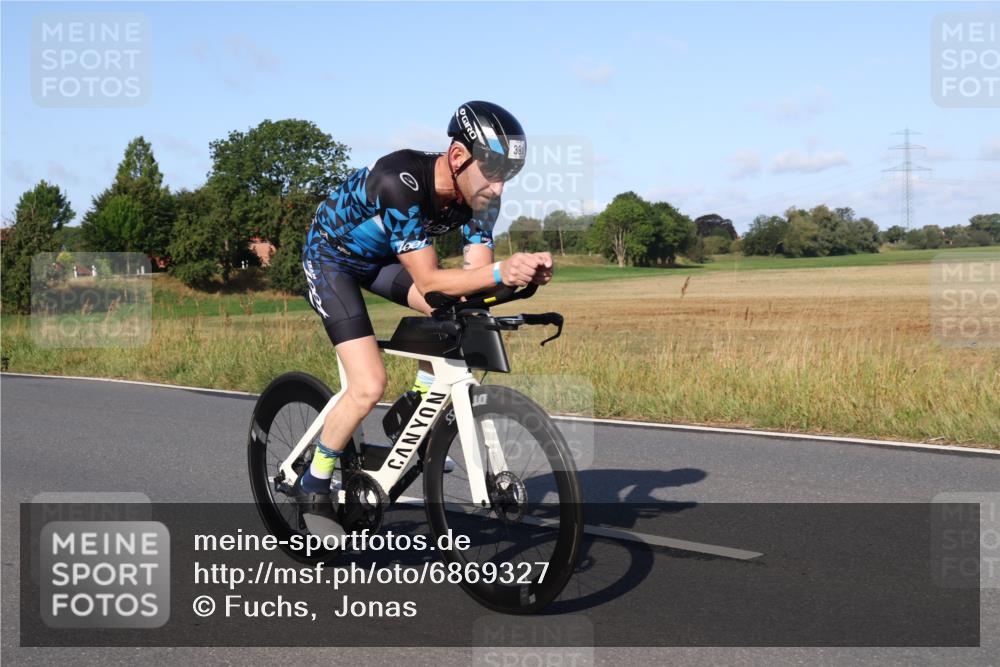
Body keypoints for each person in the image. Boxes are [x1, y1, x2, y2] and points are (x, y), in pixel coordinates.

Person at [299, 101, 553, 537]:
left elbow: (475, 282)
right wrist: (498, 271)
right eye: (491, 172)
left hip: (382, 261)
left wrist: (517, 279)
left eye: (506, 177)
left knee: (462, 313)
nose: (498, 188)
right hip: (331, 258)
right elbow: (432, 281)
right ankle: (315, 479)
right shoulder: (400, 180)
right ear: (458, 158)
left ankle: (417, 398)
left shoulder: (481, 199)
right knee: (367, 385)